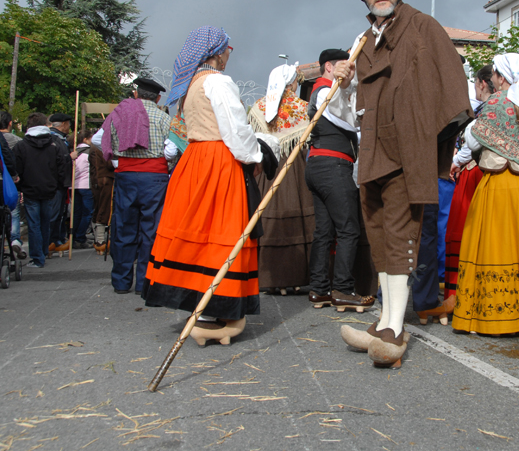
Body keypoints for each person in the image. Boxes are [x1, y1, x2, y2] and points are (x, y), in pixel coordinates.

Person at [334, 0, 472, 367]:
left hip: (405, 149)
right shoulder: (362, 41)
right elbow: (346, 112)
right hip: (371, 149)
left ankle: (395, 326)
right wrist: (345, 82)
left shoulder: (422, 26)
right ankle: (384, 320)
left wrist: (426, 138)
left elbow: (450, 84)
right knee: (378, 234)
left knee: (399, 234)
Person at [142, 26, 268, 347]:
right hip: (218, 162)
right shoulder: (218, 82)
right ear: (215, 52)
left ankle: (200, 303)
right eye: (227, 48)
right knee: (224, 232)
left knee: (201, 232)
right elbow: (236, 132)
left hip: (195, 160)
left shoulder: (191, 85)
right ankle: (221, 304)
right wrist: (259, 154)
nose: (230, 53)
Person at [451, 54, 519, 335]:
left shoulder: (495, 104)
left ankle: (491, 315)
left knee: (494, 246)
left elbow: (473, 140)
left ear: (503, 77)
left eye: (496, 73)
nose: (493, 77)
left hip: (498, 183)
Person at [304, 48, 375, 310]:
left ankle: (319, 289)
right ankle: (343, 290)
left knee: (325, 231)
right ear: (329, 68)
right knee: (348, 229)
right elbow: (350, 123)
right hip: (331, 166)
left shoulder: (326, 89)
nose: (349, 73)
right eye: (345, 68)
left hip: (321, 166)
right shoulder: (325, 91)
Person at [92, 77, 175, 294]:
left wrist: (117, 159)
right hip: (155, 179)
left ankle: (121, 281)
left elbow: (97, 140)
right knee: (151, 230)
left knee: (123, 227)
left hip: (126, 176)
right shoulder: (164, 118)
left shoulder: (119, 115)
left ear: (136, 94)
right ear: (158, 98)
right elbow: (174, 149)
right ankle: (145, 282)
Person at [247, 63, 318, 298]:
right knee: (295, 216)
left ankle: (270, 277)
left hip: (268, 167)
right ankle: (295, 278)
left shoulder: (259, 106)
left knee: (266, 215)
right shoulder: (302, 108)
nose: (297, 86)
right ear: (291, 83)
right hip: (293, 168)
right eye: (296, 82)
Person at [442, 65, 494, 315]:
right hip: (486, 172)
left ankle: (460, 295)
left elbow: (473, 142)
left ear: (483, 83)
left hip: (475, 172)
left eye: (475, 84)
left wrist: (456, 161)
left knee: (465, 230)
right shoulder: (515, 105)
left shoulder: (488, 108)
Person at [13, 112, 64, 268]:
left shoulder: (21, 146)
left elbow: (17, 169)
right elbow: (61, 165)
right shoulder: (54, 144)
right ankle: (42, 252)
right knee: (45, 222)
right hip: (49, 188)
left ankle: (37, 257)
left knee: (34, 224)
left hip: (30, 188)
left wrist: (19, 187)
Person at [0, 110, 26, 260]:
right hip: (11, 181)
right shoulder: (17, 141)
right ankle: (15, 239)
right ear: (10, 123)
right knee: (13, 212)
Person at [47, 113, 74, 254]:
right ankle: (50, 241)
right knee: (53, 214)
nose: (69, 127)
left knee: (59, 214)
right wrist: (70, 158)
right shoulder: (53, 139)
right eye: (68, 124)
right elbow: (56, 161)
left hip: (62, 183)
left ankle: (56, 240)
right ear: (63, 124)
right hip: (56, 183)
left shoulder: (61, 139)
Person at [88, 129, 115, 253]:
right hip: (106, 180)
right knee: (105, 209)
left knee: (101, 208)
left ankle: (99, 239)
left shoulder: (94, 147)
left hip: (99, 180)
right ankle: (100, 240)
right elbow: (110, 164)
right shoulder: (102, 146)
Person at [71, 130, 95, 249]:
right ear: (85, 139)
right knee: (86, 213)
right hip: (86, 185)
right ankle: (79, 237)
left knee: (76, 213)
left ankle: (75, 236)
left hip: (74, 186)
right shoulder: (87, 153)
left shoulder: (74, 153)